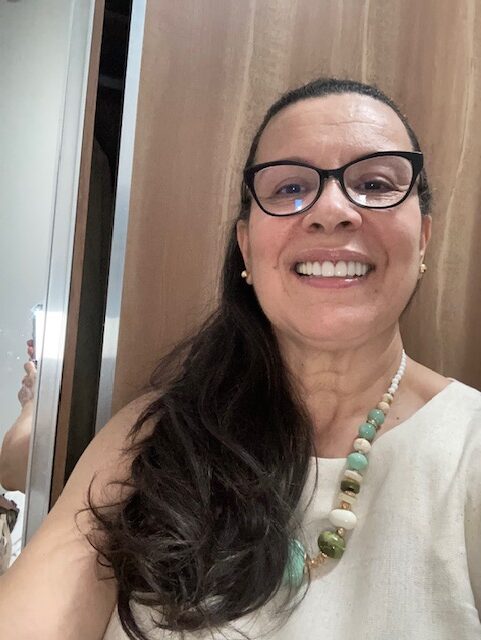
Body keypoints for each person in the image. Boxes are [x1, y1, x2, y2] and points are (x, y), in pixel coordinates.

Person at [1, 77, 481, 640]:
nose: (332, 211)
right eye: (290, 187)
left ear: (423, 238)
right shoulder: (151, 438)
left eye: (375, 184)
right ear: (247, 247)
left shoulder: (468, 446)